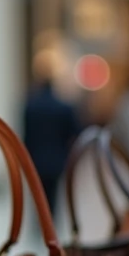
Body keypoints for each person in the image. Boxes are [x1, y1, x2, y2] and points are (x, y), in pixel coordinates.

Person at [22, 51, 83, 220]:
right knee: (53, 196)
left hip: (36, 159)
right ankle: (51, 223)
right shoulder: (63, 107)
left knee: (38, 194)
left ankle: (40, 222)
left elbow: (26, 135)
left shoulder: (31, 106)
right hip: (57, 159)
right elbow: (75, 133)